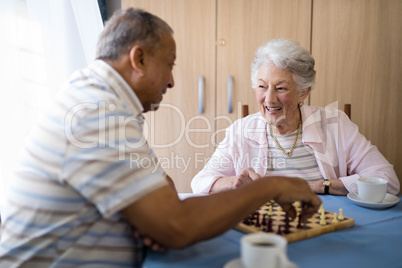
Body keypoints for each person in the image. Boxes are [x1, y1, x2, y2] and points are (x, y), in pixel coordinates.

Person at [0, 9, 321, 267]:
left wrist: (155, 217)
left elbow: (162, 185)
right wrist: (273, 185)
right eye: (168, 65)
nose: (170, 80)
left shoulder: (105, 100)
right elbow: (177, 227)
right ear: (138, 59)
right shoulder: (98, 113)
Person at [192, 39, 400, 196]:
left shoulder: (335, 124)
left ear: (303, 92)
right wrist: (234, 182)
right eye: (262, 87)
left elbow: (387, 181)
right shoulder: (241, 130)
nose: (269, 99)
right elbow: (200, 182)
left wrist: (316, 187)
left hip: (324, 222)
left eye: (281, 88)